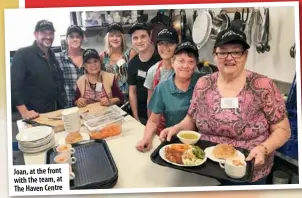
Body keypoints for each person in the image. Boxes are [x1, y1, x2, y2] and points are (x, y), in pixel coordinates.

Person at [159, 28, 291, 185]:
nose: (229, 58)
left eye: (236, 52)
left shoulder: (263, 86)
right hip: (204, 165)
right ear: (215, 55)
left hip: (245, 168)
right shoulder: (203, 84)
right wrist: (176, 128)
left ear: (245, 55)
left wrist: (264, 149)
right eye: (223, 52)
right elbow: (191, 119)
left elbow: (283, 130)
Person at [136, 40, 202, 152]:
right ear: (173, 62)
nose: (185, 66)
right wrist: (146, 138)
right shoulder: (163, 88)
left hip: (200, 141)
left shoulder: (203, 82)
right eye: (181, 61)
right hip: (173, 140)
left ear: (196, 64)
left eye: (191, 62)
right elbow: (153, 121)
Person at [11, 20, 65, 120]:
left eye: (51, 33)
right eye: (44, 33)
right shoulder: (23, 54)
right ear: (35, 35)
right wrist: (24, 111)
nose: (48, 36)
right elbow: (13, 86)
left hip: (55, 112)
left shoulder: (52, 55)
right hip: (35, 115)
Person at [143, 27, 178, 133]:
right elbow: (150, 101)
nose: (164, 47)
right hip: (160, 128)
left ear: (177, 45)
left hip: (183, 127)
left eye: (169, 43)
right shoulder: (153, 71)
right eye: (161, 43)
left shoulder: (186, 68)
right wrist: (151, 127)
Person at [127, 22, 161, 125]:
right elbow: (132, 92)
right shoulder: (133, 63)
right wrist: (136, 117)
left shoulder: (161, 57)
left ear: (150, 36)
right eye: (135, 38)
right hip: (142, 115)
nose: (139, 41)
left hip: (160, 114)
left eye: (143, 36)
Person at [100, 23, 137, 99]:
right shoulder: (104, 55)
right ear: (108, 38)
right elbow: (99, 78)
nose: (115, 38)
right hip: (109, 99)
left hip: (126, 98)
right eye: (112, 36)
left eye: (118, 35)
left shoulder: (130, 53)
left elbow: (135, 80)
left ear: (122, 37)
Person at [56, 25, 85, 108]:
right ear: (66, 39)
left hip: (88, 105)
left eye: (78, 37)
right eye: (71, 37)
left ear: (82, 39)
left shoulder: (89, 56)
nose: (75, 39)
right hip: (68, 107)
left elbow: (98, 80)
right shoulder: (58, 59)